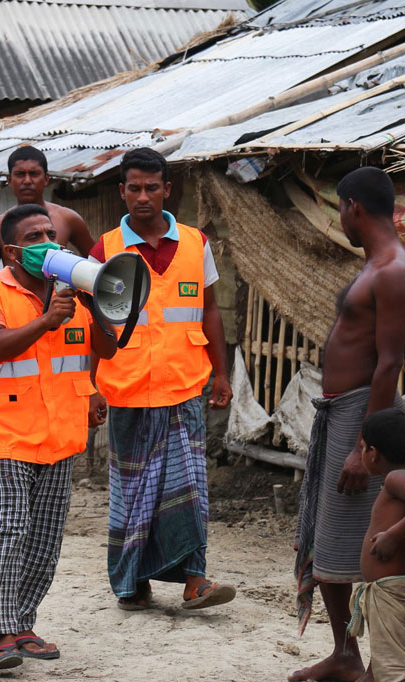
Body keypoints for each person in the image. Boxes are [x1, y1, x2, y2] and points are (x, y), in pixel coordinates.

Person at [0, 203, 117, 671]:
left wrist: (97, 305)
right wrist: (48, 319)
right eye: (34, 237)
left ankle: (24, 624)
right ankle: (3, 634)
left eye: (52, 233)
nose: (49, 242)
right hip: (4, 431)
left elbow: (102, 349)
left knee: (45, 539)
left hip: (60, 433)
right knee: (11, 529)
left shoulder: (72, 291)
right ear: (11, 251)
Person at [88, 147, 234, 612]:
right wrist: (90, 386)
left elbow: (210, 310)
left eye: (153, 187)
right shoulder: (105, 251)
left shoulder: (196, 243)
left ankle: (195, 580)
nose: (143, 197)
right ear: (122, 191)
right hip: (127, 389)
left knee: (189, 488)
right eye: (134, 188)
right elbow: (91, 326)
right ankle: (133, 582)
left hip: (185, 387)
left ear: (168, 190)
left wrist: (222, 373)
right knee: (132, 494)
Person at [290, 166, 405, 682]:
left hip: (362, 417)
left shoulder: (393, 271)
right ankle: (345, 654)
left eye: (339, 210)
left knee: (359, 543)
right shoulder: (376, 266)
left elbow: (389, 362)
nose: (339, 219)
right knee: (330, 537)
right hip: (340, 413)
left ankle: (379, 664)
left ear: (353, 208)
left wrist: (364, 444)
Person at [346, 407, 405, 682]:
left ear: (373, 453)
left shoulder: (395, 479)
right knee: (383, 668)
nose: (362, 453)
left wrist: (394, 536)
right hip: (393, 591)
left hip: (392, 596)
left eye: (362, 447)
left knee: (393, 673)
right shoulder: (402, 482)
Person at [0, 146, 95, 277]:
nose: (27, 181)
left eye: (34, 174)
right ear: (9, 180)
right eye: (20, 174)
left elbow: (96, 266)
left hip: (60, 296)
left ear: (46, 179)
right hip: (16, 297)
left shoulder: (68, 218)